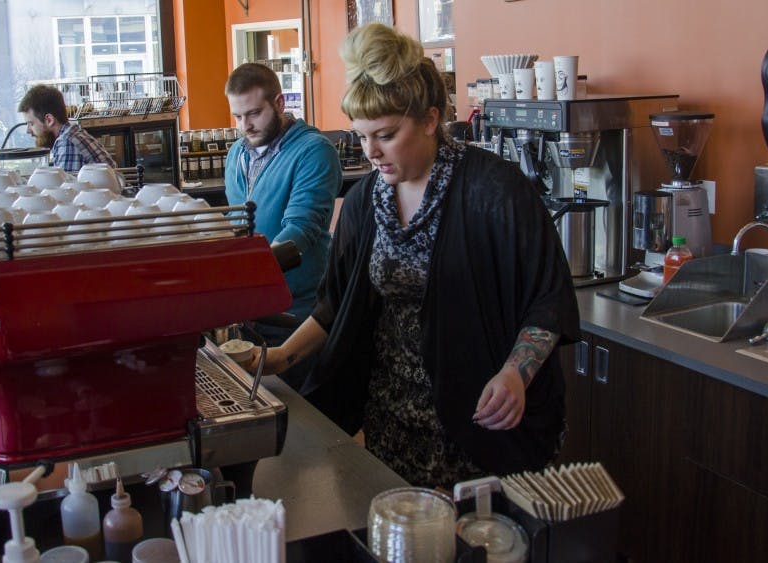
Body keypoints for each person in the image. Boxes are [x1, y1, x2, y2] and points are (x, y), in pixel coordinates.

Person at [251, 23, 580, 488]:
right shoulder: (366, 201)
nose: (371, 152)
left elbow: (546, 301)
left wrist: (515, 374)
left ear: (429, 120)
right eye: (361, 137)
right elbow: (334, 306)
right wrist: (280, 357)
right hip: (392, 416)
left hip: (480, 418)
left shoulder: (493, 191)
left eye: (385, 134)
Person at [223, 62, 341, 391]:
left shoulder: (314, 151)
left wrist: (243, 273)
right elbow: (236, 225)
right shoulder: (237, 153)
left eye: (254, 113)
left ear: (279, 103)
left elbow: (301, 230)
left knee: (305, 415)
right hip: (250, 309)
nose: (245, 125)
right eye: (237, 117)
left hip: (297, 311)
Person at [18, 84, 116, 172]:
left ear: (49, 120)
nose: (28, 131)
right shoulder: (72, 134)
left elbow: (67, 190)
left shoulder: (67, 142)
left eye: (31, 124)